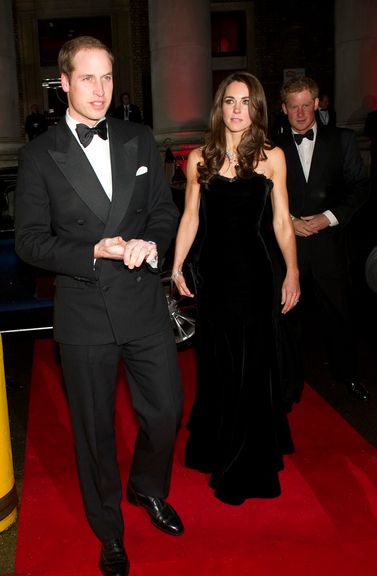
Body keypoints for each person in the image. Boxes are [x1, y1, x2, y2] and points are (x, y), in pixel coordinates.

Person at [15, 36, 184, 576]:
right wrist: (93, 248)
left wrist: (152, 243)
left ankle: (148, 487)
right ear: (63, 83)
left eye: (107, 78)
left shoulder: (137, 138)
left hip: (142, 304)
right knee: (94, 432)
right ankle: (109, 529)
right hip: (85, 312)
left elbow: (164, 210)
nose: (100, 91)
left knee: (165, 411)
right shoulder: (40, 155)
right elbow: (30, 242)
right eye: (87, 78)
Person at [171, 71, 300, 505]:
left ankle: (246, 461)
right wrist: (176, 266)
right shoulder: (199, 159)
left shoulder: (272, 157)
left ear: (258, 109)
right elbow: (190, 218)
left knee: (251, 367)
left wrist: (292, 272)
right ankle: (216, 443)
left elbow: (282, 222)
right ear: (219, 106)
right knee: (217, 366)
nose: (237, 110)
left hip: (256, 276)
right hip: (214, 277)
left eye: (246, 102)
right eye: (230, 101)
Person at [276, 76, 370, 402]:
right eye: (294, 107)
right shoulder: (271, 148)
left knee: (340, 315)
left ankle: (349, 377)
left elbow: (360, 186)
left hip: (329, 244)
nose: (301, 113)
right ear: (283, 108)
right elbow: (263, 194)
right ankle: (288, 384)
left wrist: (327, 218)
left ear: (316, 104)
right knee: (287, 320)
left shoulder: (342, 140)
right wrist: (289, 221)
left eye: (306, 105)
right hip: (290, 247)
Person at [364, 94, 377, 195]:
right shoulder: (372, 115)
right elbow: (367, 130)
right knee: (375, 168)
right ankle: (375, 190)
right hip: (376, 145)